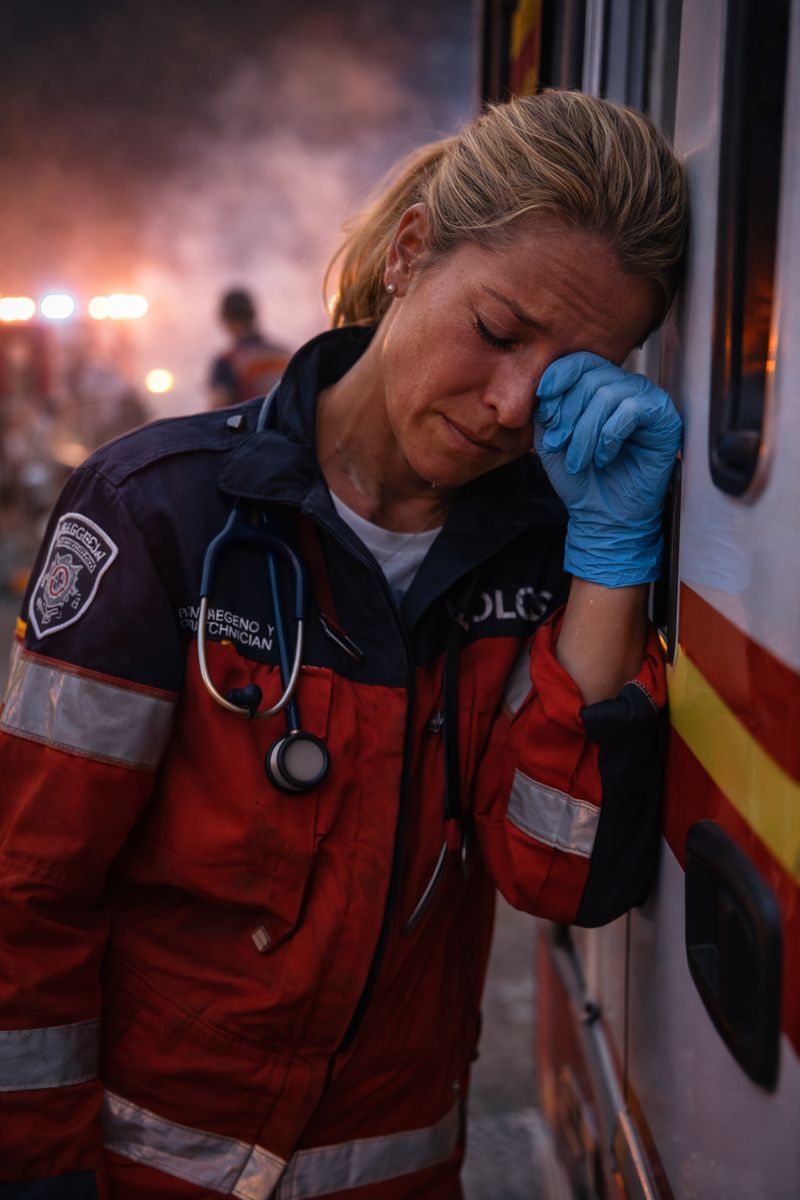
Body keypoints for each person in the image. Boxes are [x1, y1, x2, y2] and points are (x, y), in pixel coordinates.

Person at [0, 89, 687, 1199]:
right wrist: (33, 1172)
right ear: (412, 251)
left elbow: (555, 874)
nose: (513, 406)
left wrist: (608, 559)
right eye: (498, 333)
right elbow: (27, 887)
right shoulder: (160, 514)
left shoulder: (546, 561)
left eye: (567, 376)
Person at [208, 287, 290, 408]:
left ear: (226, 319)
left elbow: (217, 409)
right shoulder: (284, 354)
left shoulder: (227, 361)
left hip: (251, 425)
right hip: (287, 425)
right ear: (253, 315)